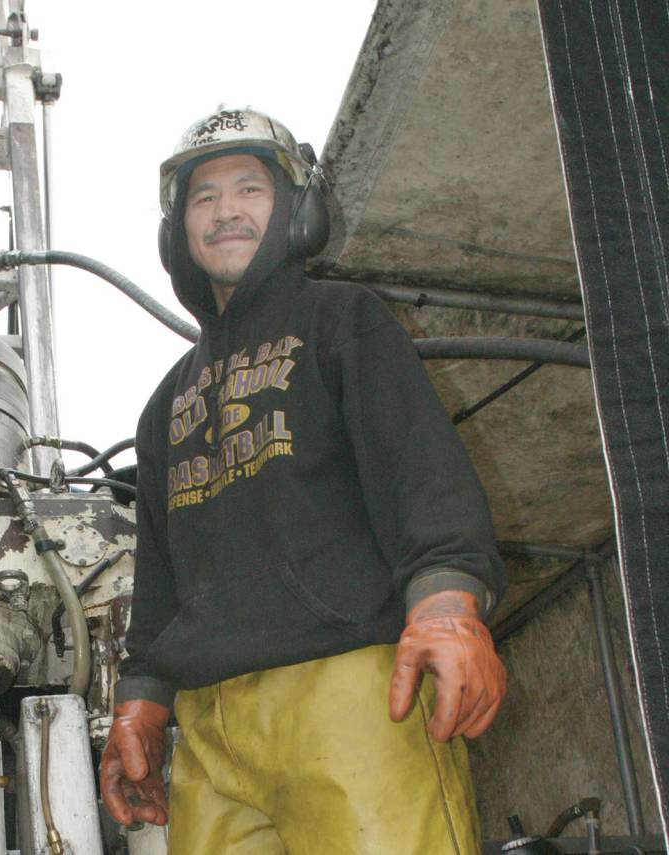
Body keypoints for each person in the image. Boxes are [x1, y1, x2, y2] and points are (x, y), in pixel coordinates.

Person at [99, 107, 507, 854]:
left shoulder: (342, 320)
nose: (226, 211)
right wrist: (143, 699)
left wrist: (449, 606)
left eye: (249, 189)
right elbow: (158, 576)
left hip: (350, 693)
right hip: (211, 727)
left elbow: (421, 473)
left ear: (298, 210)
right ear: (176, 232)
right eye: (203, 197)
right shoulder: (163, 407)